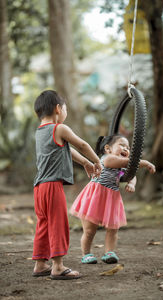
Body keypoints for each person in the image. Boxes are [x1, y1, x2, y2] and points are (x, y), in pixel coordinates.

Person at [32, 90, 102, 280]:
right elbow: (82, 145)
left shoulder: (40, 132)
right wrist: (97, 162)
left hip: (39, 188)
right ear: (57, 109)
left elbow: (67, 151)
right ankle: (58, 267)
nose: (65, 112)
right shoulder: (60, 128)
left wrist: (86, 163)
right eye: (65, 108)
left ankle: (40, 264)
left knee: (44, 224)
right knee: (58, 224)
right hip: (52, 187)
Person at [70, 134, 156, 264]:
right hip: (95, 196)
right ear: (108, 149)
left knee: (113, 229)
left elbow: (131, 174)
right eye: (122, 145)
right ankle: (86, 254)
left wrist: (131, 183)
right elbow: (128, 163)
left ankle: (109, 252)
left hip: (111, 198)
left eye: (128, 148)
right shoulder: (107, 159)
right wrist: (143, 162)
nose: (126, 149)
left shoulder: (122, 166)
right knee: (89, 230)